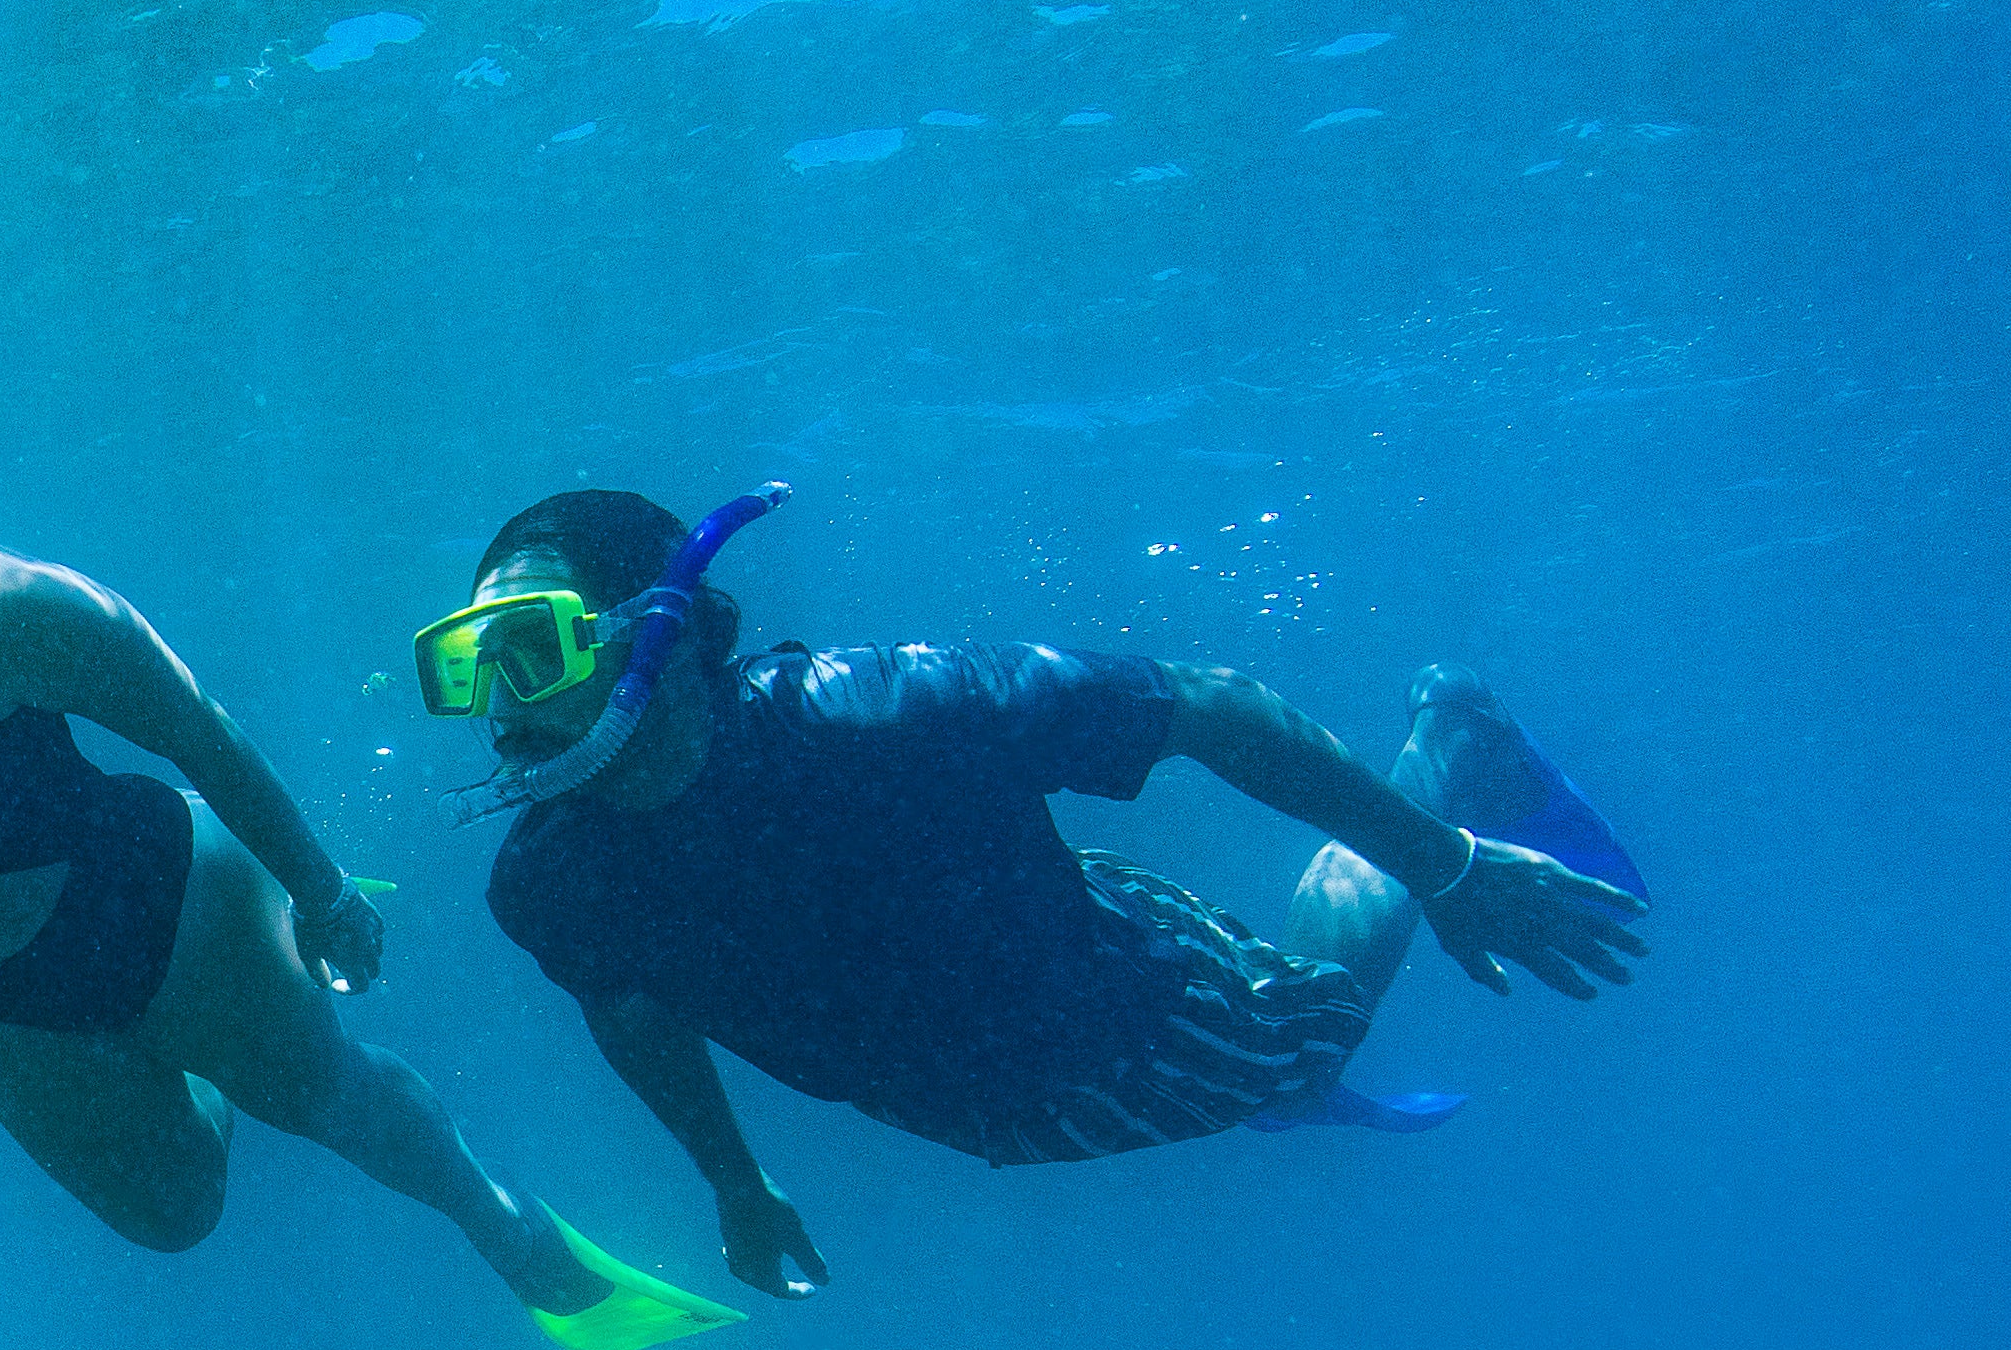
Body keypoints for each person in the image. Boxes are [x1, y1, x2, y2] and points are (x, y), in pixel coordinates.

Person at [0, 281, 721, 1347]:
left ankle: (513, 1236)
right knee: (173, 1217)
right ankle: (196, 1054)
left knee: (328, 1100)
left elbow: (203, 734)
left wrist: (322, 893)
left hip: (156, 907)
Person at [430, 484, 1648, 1298]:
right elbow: (628, 1002)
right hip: (982, 1102)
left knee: (1305, 1049)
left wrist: (1451, 864)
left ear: (662, 632)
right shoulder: (551, 881)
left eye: (531, 647)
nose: (502, 708)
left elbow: (1210, 704)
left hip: (1140, 1022)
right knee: (1288, 1081)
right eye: (469, 665)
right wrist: (733, 1179)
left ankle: (1451, 735)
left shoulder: (885, 712)